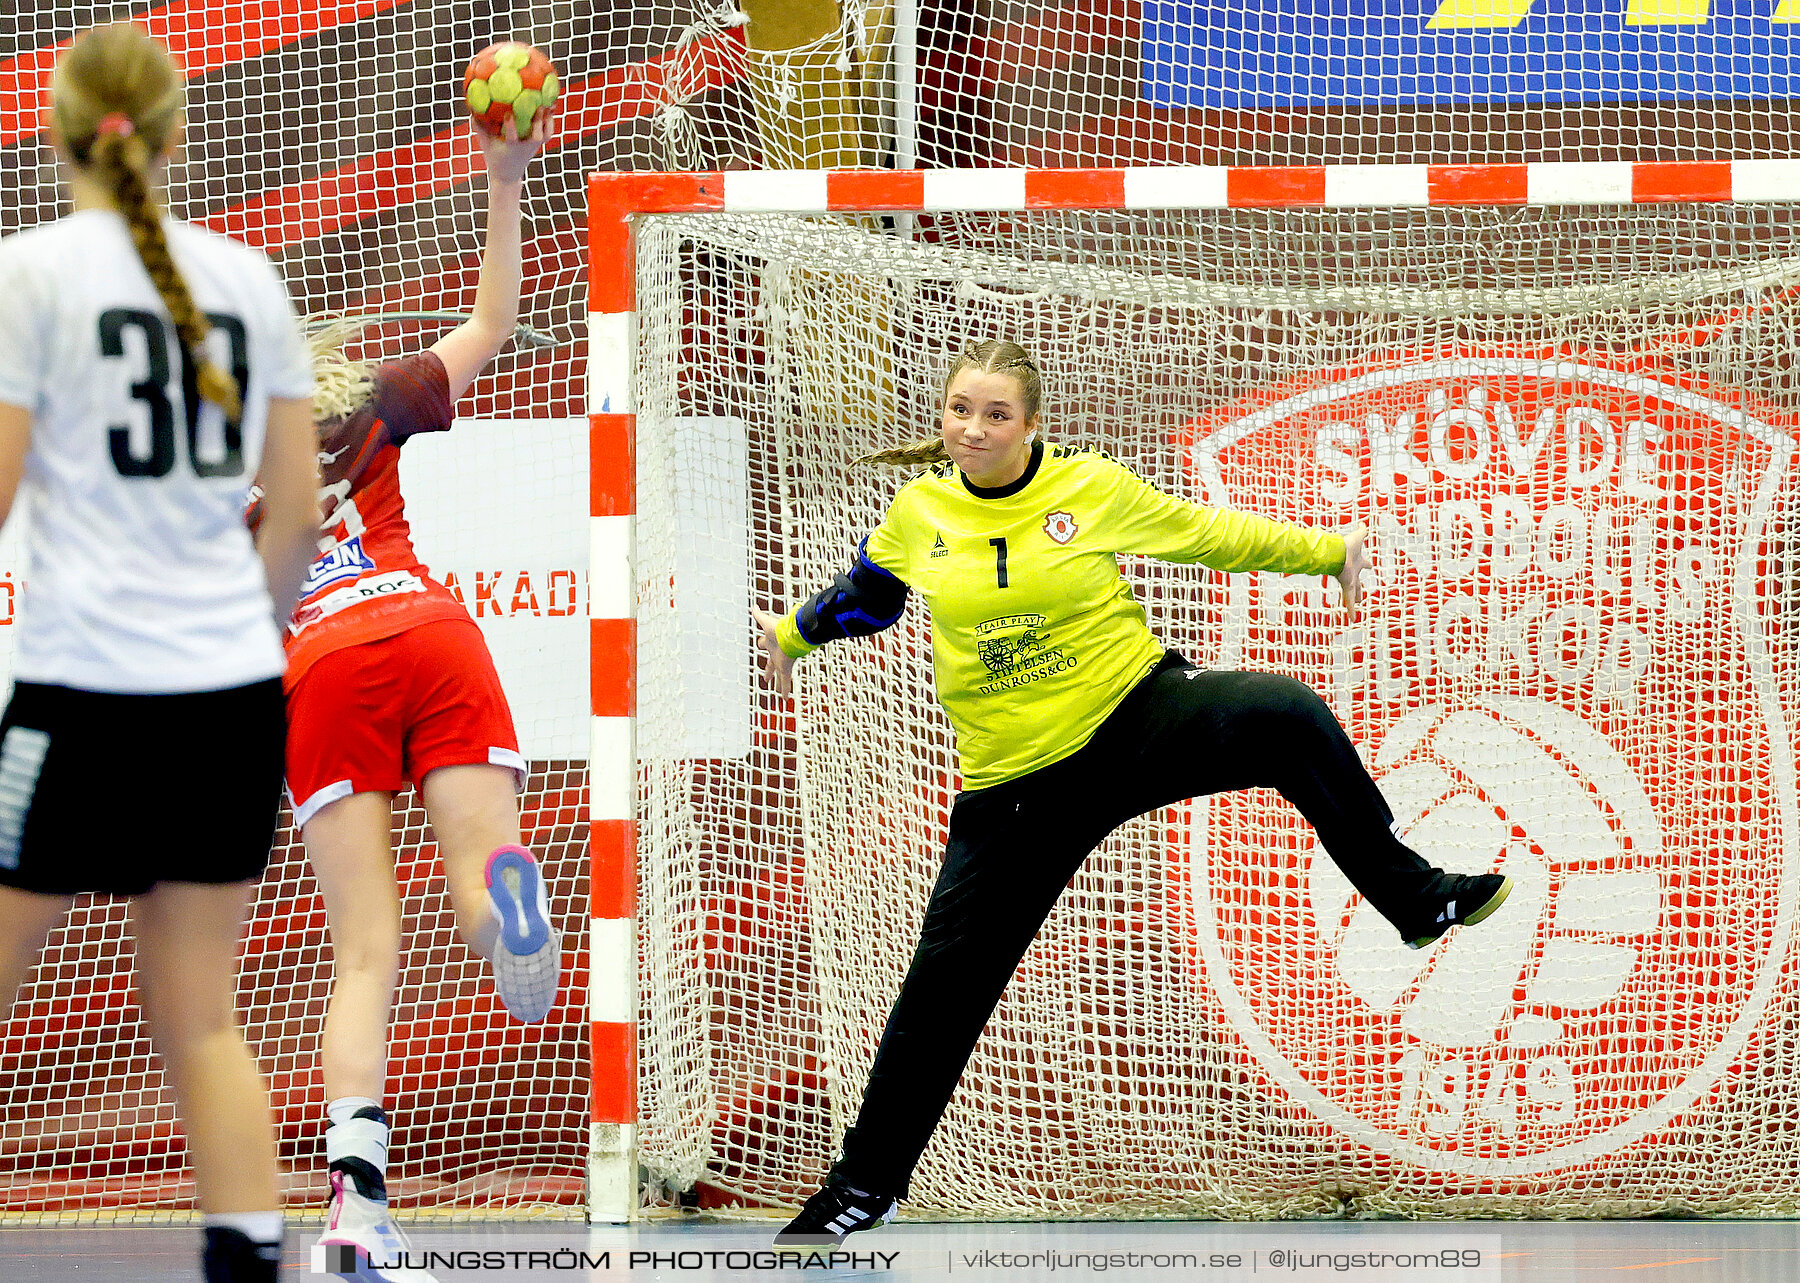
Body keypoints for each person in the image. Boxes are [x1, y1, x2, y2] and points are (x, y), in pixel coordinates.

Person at [755, 339, 1514, 1244]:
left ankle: (1419, 899)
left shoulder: (1089, 488)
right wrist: (789, 637)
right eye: (961, 410)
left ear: (1033, 425)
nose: (974, 429)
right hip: (1015, 787)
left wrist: (1326, 551)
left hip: (1135, 715)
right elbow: (869, 598)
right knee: (942, 991)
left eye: (997, 414)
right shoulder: (919, 511)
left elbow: (1205, 533)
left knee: (1283, 713)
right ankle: (862, 1185)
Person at [0, 23, 320, 1283]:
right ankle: (244, 1266)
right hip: (229, 697)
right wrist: (239, 635)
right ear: (179, 132)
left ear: (54, 129)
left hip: (80, 694)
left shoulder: (29, 276)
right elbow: (293, 515)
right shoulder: (249, 281)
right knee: (202, 1020)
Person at [242, 110, 561, 1283]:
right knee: (481, 869)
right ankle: (505, 911)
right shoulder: (368, 400)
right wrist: (505, 174)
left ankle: (357, 1207)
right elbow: (491, 319)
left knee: (364, 950)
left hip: (323, 661)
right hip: (434, 630)